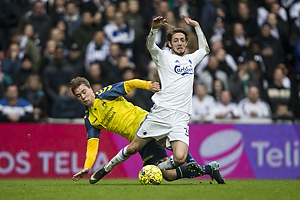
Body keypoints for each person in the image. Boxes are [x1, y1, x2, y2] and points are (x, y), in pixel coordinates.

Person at [89, 15, 224, 184]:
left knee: (180, 158)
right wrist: (154, 29)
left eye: (182, 40)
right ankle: (106, 169)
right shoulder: (164, 57)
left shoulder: (191, 60)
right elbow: (150, 46)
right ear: (170, 44)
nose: (180, 43)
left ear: (186, 43)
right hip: (161, 113)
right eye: (176, 40)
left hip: (181, 116)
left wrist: (196, 26)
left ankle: (156, 170)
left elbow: (205, 50)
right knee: (133, 148)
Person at [70, 77, 224, 184]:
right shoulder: (89, 119)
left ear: (90, 89)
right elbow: (92, 144)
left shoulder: (106, 94)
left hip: (146, 122)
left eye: (84, 92)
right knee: (168, 175)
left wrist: (148, 85)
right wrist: (87, 166)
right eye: (78, 96)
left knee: (163, 141)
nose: (83, 97)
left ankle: (190, 161)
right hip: (138, 140)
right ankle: (209, 169)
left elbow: (129, 84)